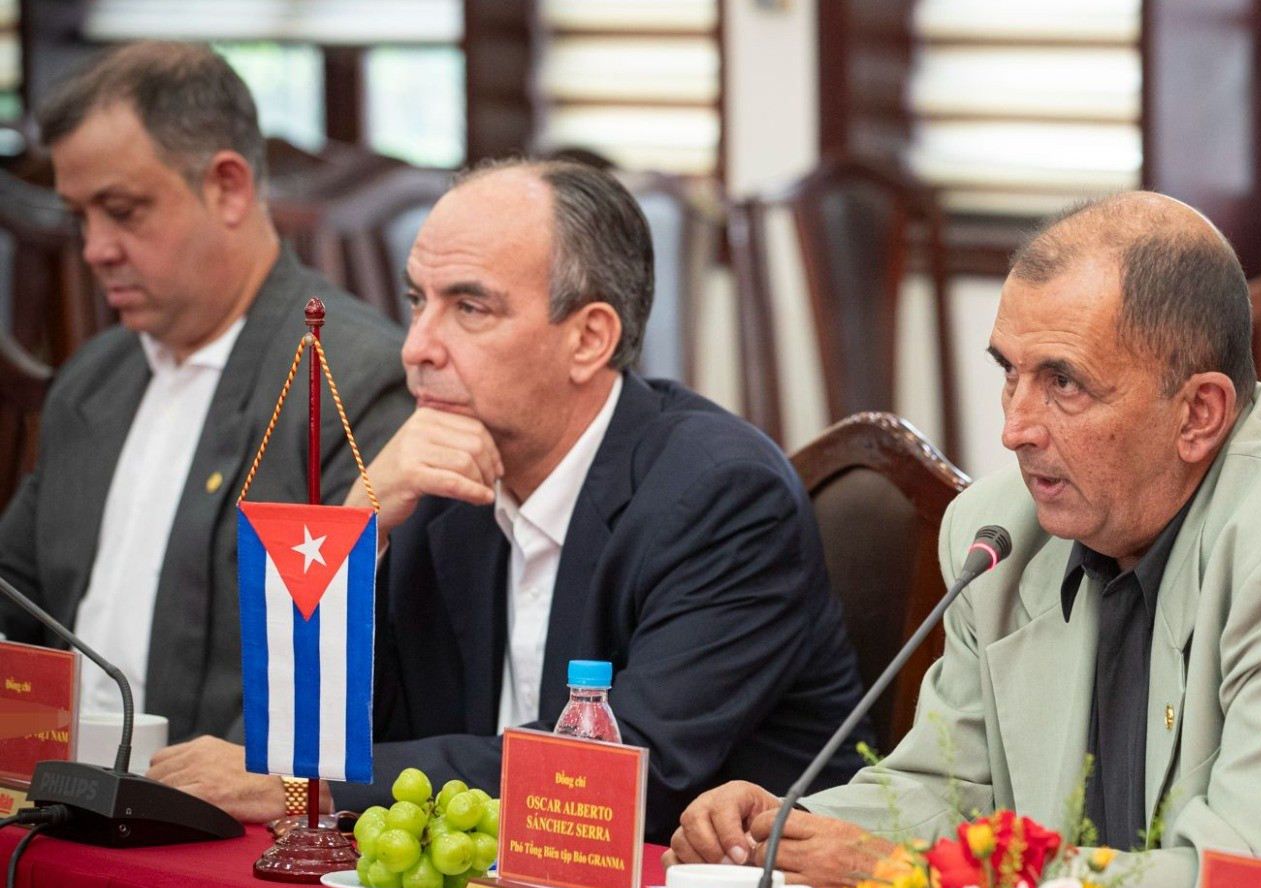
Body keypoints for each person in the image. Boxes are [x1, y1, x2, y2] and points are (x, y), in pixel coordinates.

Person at [669, 192, 1261, 888]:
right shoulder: (1001, 536)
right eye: (1008, 374)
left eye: (1064, 384)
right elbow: (949, 789)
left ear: (1199, 413)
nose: (1015, 426)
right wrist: (788, 831)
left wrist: (920, 877)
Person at [153, 159, 869, 838]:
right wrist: (357, 524)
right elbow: (336, 727)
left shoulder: (721, 496)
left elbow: (618, 780)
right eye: (416, 301)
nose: (416, 347)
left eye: (469, 307)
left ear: (589, 338)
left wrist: (309, 788)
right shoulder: (440, 483)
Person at [0, 43, 408, 744]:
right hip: (55, 794)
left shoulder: (349, 378)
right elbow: (18, 600)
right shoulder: (92, 379)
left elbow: (366, 676)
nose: (95, 247)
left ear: (227, 186)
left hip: (226, 823)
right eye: (80, 217)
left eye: (122, 210)